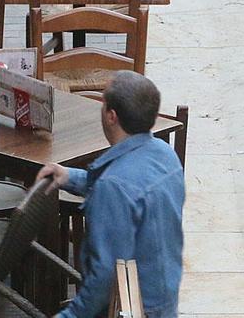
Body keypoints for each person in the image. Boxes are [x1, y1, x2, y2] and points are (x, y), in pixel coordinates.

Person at [37, 71, 184, 318]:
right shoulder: (165, 155)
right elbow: (132, 189)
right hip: (163, 300)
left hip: (133, 308)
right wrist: (71, 177)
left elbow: (104, 279)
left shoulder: (113, 186)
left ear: (111, 116)